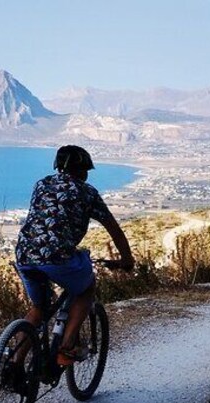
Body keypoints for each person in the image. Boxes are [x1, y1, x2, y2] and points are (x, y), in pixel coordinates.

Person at [15, 145, 134, 365]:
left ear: (59, 167)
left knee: (39, 308)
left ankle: (14, 364)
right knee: (86, 288)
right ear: (83, 170)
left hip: (24, 254)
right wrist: (127, 259)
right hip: (58, 256)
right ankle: (67, 346)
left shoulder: (41, 184)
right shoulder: (88, 193)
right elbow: (114, 229)